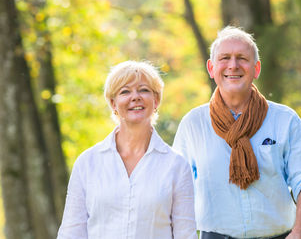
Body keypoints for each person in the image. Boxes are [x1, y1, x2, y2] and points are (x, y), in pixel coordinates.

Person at [173, 26, 301, 239]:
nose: (233, 65)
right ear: (211, 67)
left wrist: (299, 233)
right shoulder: (193, 124)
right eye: (224, 58)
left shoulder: (285, 120)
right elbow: (177, 190)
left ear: (256, 69)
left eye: (242, 58)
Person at [57, 61, 197, 239]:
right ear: (113, 103)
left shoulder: (177, 166)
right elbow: (71, 232)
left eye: (144, 90)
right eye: (125, 91)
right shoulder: (87, 163)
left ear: (156, 100)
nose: (135, 97)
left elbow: (186, 235)